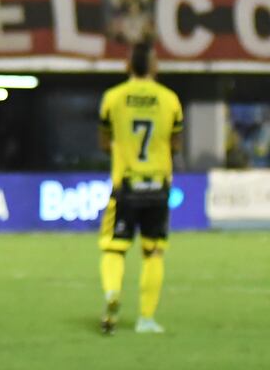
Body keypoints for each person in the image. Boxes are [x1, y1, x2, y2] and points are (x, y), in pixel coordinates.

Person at [97, 42, 183, 335]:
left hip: (127, 186)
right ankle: (146, 319)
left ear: (128, 66)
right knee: (153, 253)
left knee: (114, 247)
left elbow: (104, 142)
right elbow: (176, 143)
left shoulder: (112, 98)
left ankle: (112, 294)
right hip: (158, 187)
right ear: (155, 67)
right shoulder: (170, 100)